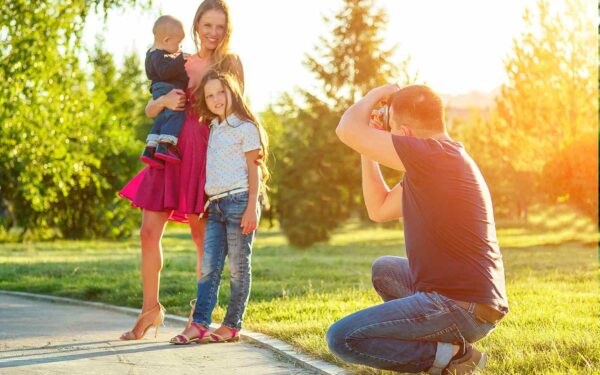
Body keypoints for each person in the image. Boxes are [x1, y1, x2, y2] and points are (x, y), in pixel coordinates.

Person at [327, 84, 509, 374]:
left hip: (461, 307)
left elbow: (347, 129)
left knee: (342, 338)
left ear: (407, 134)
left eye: (392, 132)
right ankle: (443, 349)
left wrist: (379, 92)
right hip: (464, 301)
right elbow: (379, 208)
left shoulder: (435, 158)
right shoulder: (437, 163)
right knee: (385, 269)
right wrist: (368, 149)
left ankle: (451, 356)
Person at [119, 0, 244, 341]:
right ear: (196, 26)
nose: (213, 33)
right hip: (170, 149)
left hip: (203, 154)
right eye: (207, 26)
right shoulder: (179, 61)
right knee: (148, 232)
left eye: (220, 26)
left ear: (226, 29)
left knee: (201, 237)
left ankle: (198, 316)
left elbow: (238, 115)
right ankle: (149, 309)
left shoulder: (231, 64)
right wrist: (163, 102)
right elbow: (149, 106)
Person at [169, 70, 269, 344]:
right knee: (209, 268)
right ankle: (199, 324)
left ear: (232, 92)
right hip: (215, 207)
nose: (215, 99)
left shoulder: (245, 127)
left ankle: (231, 325)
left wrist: (252, 208)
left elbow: (254, 170)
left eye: (220, 92)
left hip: (239, 203)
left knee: (238, 268)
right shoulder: (214, 127)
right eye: (210, 95)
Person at [141, 15, 189, 167]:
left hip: (158, 90)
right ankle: (166, 145)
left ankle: (151, 146)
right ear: (166, 40)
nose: (180, 47)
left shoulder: (151, 54)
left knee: (162, 118)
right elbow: (164, 72)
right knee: (176, 113)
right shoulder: (158, 55)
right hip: (168, 89)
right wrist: (180, 59)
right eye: (179, 43)